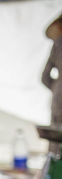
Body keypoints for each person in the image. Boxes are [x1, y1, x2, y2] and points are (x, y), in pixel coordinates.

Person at [42, 13, 62, 153]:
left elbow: (44, 77)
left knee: (55, 145)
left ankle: (52, 173)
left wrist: (56, 87)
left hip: (57, 99)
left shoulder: (57, 44)